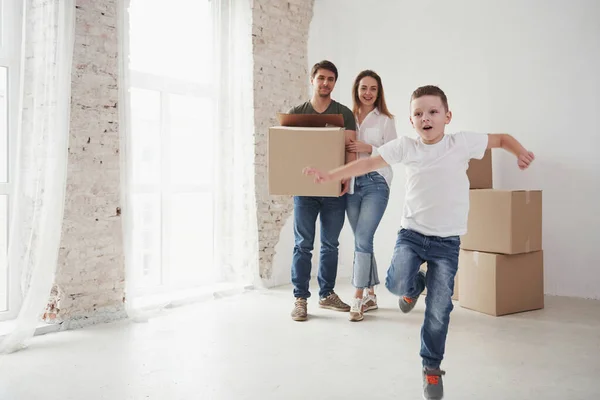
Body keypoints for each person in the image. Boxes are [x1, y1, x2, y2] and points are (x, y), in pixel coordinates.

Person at [303, 85, 535, 399]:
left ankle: (431, 367)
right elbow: (368, 163)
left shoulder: (461, 143)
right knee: (397, 285)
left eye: (433, 112)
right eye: (418, 113)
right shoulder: (406, 147)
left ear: (447, 116)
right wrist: (332, 175)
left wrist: (519, 151)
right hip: (411, 235)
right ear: (412, 122)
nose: (426, 118)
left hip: (447, 243)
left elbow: (502, 139)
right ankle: (414, 286)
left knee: (439, 310)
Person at [287, 60, 357, 322]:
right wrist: (289, 180)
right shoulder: (297, 113)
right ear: (312, 79)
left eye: (330, 79)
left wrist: (347, 178)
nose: (325, 83)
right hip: (304, 190)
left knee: (330, 244)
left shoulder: (343, 114)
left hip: (333, 188)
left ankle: (326, 294)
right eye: (321, 78)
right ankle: (300, 299)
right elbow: (289, 152)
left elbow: (350, 148)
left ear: (334, 83)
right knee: (303, 245)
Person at [345, 70, 397, 322]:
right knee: (361, 239)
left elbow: (395, 153)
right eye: (363, 88)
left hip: (376, 182)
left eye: (373, 89)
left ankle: (357, 297)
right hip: (352, 183)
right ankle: (372, 295)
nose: (368, 93)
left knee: (363, 237)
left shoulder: (386, 120)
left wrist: (368, 148)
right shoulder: (347, 117)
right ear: (356, 89)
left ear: (379, 92)